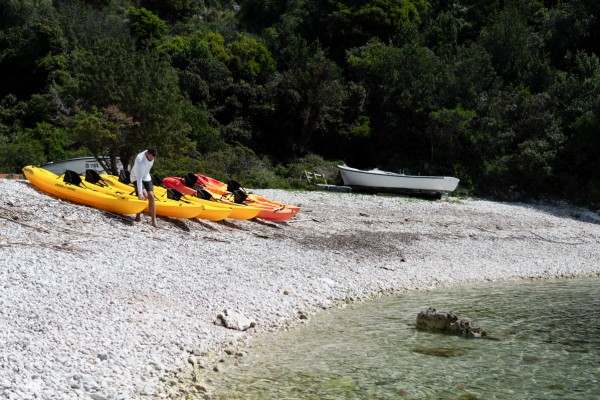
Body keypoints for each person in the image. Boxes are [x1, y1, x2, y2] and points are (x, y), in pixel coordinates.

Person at [130, 148, 158, 228]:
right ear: (148, 154)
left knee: (151, 197)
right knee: (144, 195)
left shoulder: (151, 155)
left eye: (153, 158)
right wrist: (140, 193)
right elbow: (139, 178)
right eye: (151, 157)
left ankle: (154, 221)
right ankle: (137, 216)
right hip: (136, 177)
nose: (152, 159)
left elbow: (147, 169)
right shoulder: (140, 159)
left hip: (146, 176)